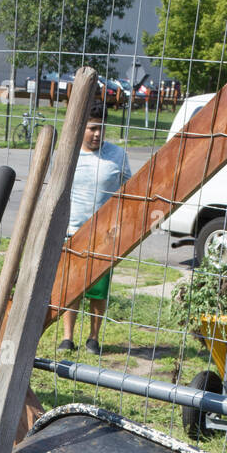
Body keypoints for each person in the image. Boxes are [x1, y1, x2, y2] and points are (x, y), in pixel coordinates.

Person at [59, 103, 131, 356]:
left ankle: (93, 338)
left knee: (98, 290)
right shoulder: (69, 155)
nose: (97, 134)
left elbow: (129, 191)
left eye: (101, 128)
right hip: (72, 231)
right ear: (81, 129)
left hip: (104, 235)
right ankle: (67, 337)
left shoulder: (117, 156)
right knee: (72, 286)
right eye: (92, 129)